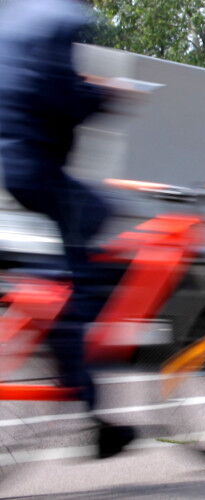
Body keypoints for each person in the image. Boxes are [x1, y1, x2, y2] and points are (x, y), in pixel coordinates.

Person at [0, 0, 136, 458]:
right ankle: (92, 412)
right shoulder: (63, 17)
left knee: (85, 228)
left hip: (15, 161)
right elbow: (58, 94)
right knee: (82, 266)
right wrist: (105, 95)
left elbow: (37, 82)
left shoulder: (17, 14)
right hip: (36, 164)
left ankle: (45, 300)